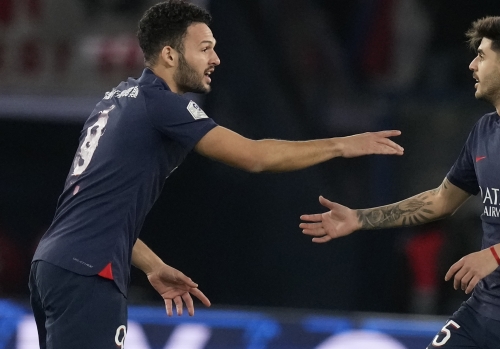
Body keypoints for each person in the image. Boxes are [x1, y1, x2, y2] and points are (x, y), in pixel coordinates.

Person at [28, 1, 404, 348]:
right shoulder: (163, 104)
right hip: (87, 273)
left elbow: (95, 213)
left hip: (54, 264)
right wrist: (340, 145)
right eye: (204, 48)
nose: (216, 59)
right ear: (170, 55)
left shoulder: (115, 102)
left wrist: (154, 266)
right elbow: (253, 156)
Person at [300, 16, 500, 349]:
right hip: (482, 310)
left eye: (481, 56)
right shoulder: (484, 131)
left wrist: (494, 254)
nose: (472, 65)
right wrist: (359, 218)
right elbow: (440, 200)